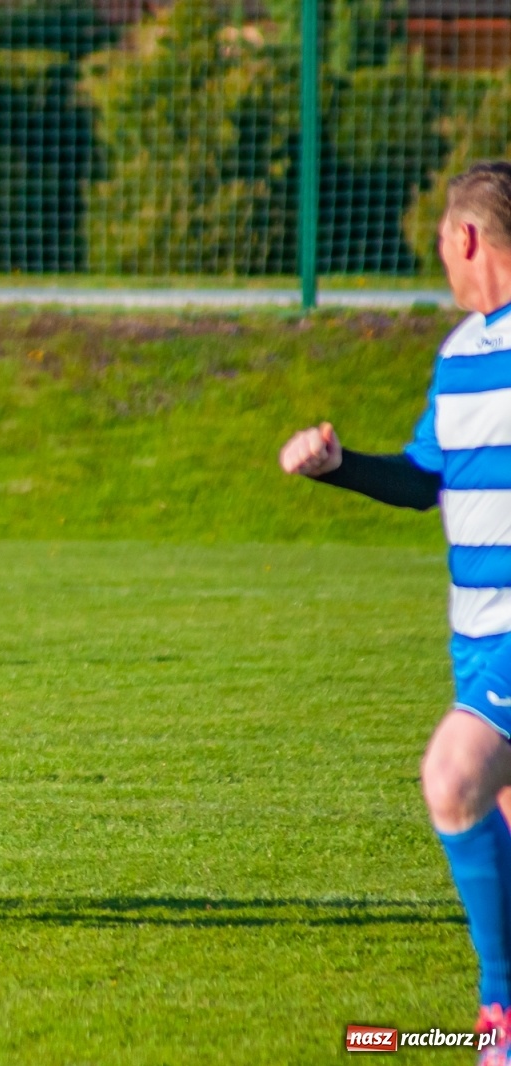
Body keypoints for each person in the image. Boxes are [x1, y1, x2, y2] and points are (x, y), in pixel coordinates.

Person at [279, 162, 511, 1064]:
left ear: (465, 239)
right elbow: (423, 483)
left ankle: (496, 1016)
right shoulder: (457, 358)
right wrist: (340, 466)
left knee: (452, 778)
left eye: (442, 247)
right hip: (474, 636)